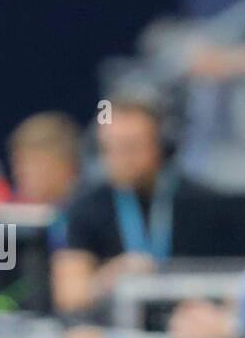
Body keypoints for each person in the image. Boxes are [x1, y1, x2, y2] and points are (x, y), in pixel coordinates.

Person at [52, 97, 210, 317]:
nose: (120, 159)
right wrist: (109, 278)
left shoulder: (201, 203)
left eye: (131, 147)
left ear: (161, 147)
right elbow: (70, 296)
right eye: (110, 149)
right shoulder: (85, 208)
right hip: (112, 334)